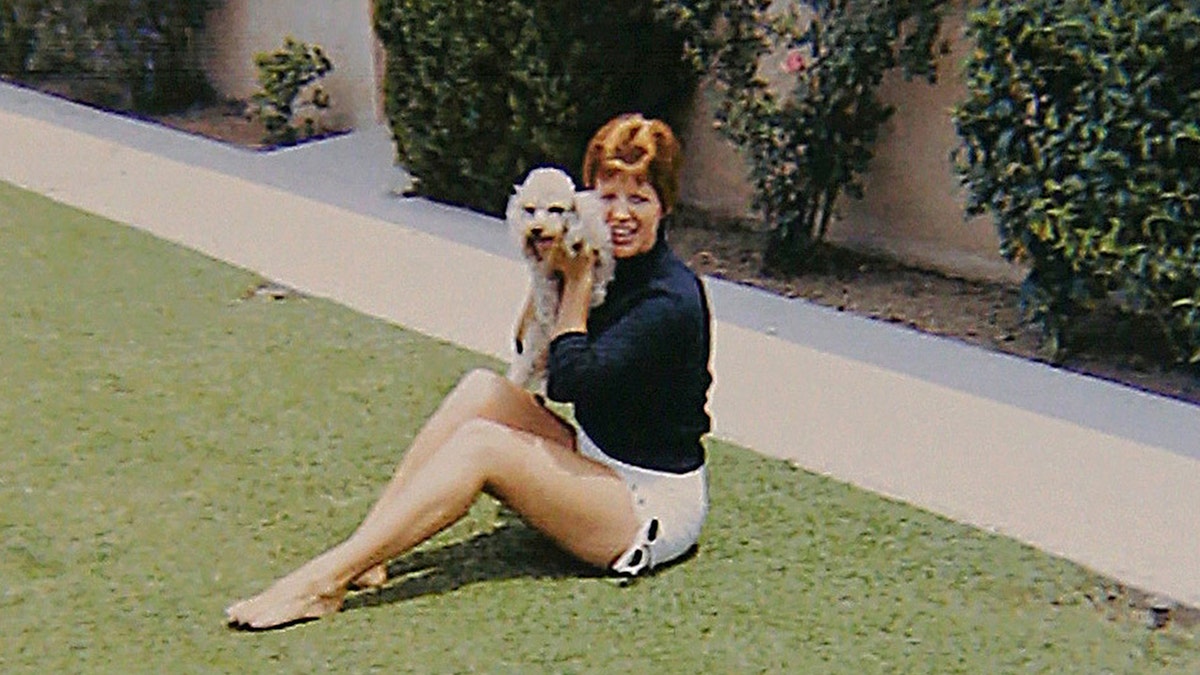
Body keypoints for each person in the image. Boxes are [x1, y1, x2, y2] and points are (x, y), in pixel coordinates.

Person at [225, 113, 714, 630]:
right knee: (484, 389)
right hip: (600, 455)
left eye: (638, 199)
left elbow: (571, 381)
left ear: (665, 206)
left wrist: (575, 284)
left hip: (648, 506)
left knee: (484, 444)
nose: (619, 215)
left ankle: (322, 584)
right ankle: (369, 554)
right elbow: (530, 346)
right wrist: (547, 271)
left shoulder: (669, 299)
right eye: (606, 196)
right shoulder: (600, 260)